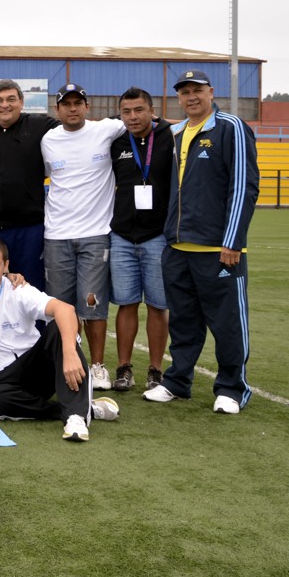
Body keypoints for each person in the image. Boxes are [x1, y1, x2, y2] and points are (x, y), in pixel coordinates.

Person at [144, 70, 259, 414]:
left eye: (197, 90)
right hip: (178, 248)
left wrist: (233, 241)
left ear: (210, 92)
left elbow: (245, 186)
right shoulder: (177, 133)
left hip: (218, 249)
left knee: (227, 322)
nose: (191, 97)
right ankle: (178, 381)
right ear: (178, 97)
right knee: (183, 320)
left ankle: (232, 388)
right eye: (185, 92)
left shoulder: (230, 127)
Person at [0, 237, 119, 442]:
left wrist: (69, 352)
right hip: (1, 379)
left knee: (57, 328)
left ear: (6, 266)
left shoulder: (18, 290)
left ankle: (76, 416)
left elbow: (65, 309)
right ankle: (74, 409)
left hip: (36, 368)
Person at [40, 83, 126, 390]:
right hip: (57, 236)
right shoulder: (48, 139)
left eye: (78, 103)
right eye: (67, 104)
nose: (73, 108)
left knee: (93, 305)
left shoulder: (107, 130)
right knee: (60, 305)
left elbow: (143, 122)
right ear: (57, 109)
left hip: (95, 234)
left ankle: (98, 366)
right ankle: (66, 362)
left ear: (87, 107)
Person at [0, 78, 59, 292]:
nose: (5, 105)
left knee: (29, 288)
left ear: (21, 102)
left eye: (11, 99)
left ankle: (35, 327)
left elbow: (77, 129)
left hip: (28, 230)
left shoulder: (40, 126)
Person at [110, 87, 173, 391]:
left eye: (139, 110)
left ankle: (156, 370)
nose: (133, 117)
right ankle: (123, 368)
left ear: (152, 110)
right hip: (121, 235)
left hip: (158, 236)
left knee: (159, 305)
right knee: (126, 303)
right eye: (126, 111)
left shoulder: (170, 136)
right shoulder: (116, 141)